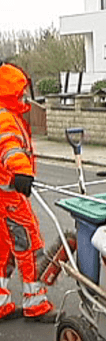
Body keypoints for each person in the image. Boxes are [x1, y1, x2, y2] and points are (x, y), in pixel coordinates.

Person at [0, 61, 56, 322]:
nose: (24, 96)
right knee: (30, 246)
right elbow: (9, 148)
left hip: (4, 195)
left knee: (5, 250)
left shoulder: (8, 115)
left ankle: (1, 303)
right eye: (20, 91)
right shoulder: (5, 118)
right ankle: (36, 304)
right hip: (11, 195)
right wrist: (22, 172)